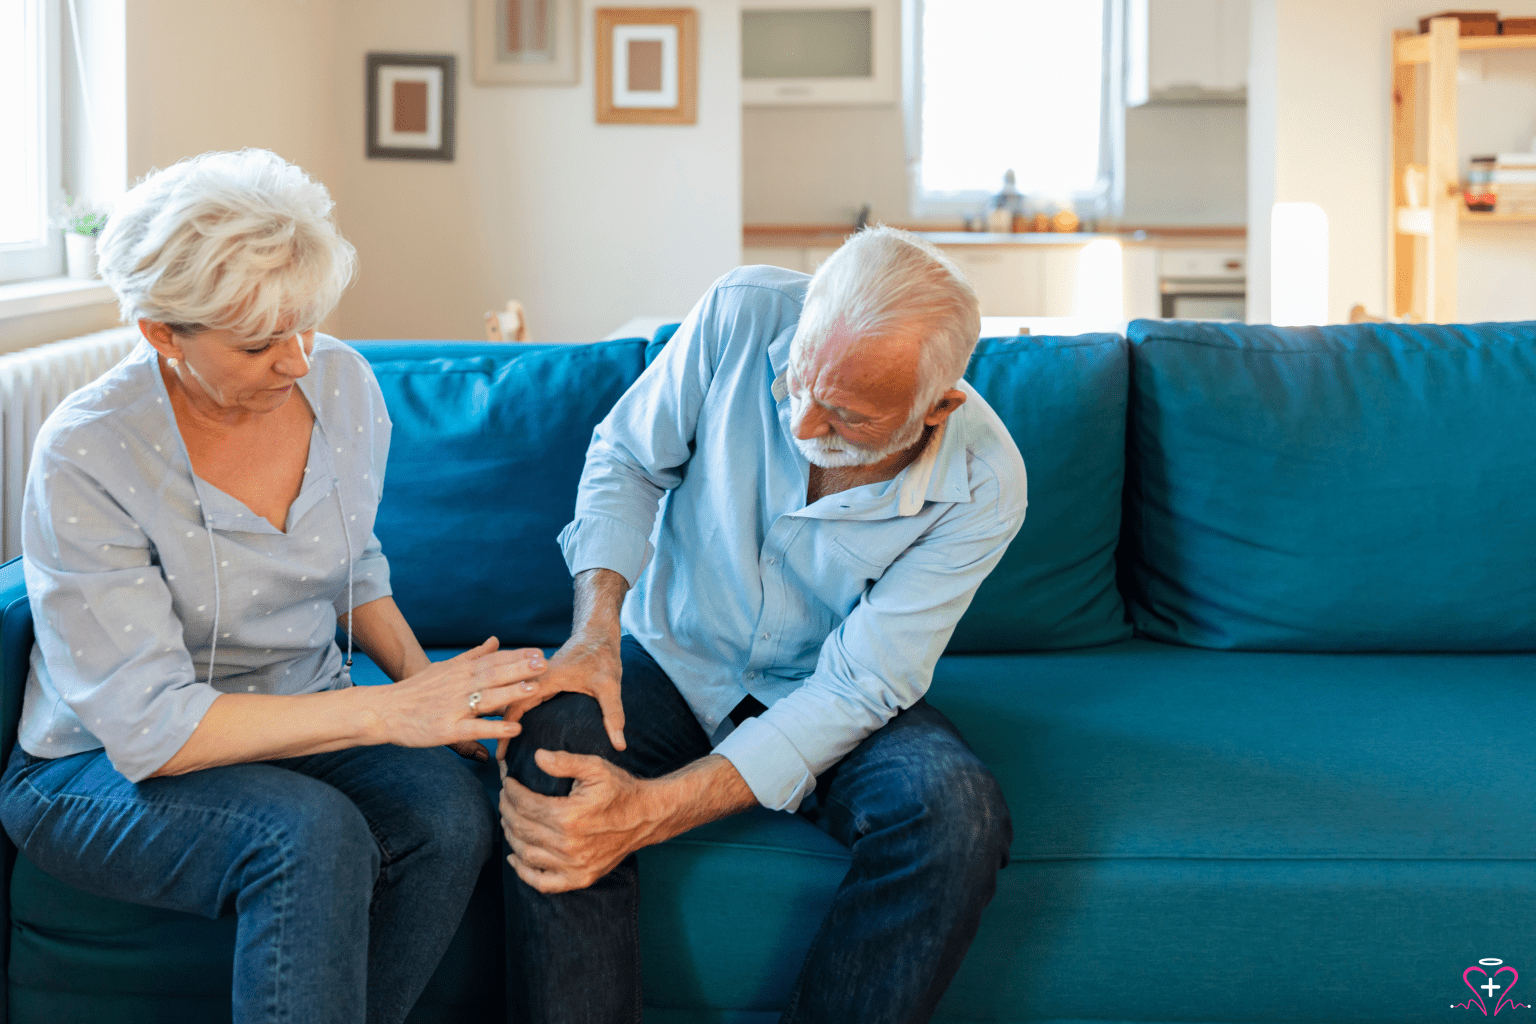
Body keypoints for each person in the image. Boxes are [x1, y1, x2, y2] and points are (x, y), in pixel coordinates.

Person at [0, 149, 569, 1024]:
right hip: (100, 762)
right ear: (161, 333)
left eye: (307, 324)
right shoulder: (89, 452)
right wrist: (389, 713)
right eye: (261, 342)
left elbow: (352, 561)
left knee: (451, 814)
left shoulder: (342, 382)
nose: (300, 361)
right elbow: (154, 732)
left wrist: (424, 682)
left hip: (297, 718)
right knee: (306, 834)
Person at [497, 226, 1027, 1023]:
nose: (804, 425)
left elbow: (861, 685)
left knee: (957, 812)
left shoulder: (986, 485)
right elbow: (628, 460)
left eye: (845, 416)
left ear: (937, 408)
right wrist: (597, 630)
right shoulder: (742, 313)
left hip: (825, 685)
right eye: (795, 386)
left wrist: (648, 812)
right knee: (552, 733)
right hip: (674, 653)